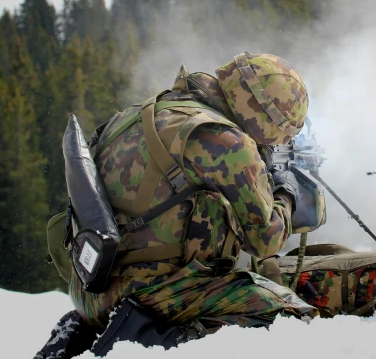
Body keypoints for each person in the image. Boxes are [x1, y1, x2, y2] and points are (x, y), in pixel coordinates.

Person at [36, 52, 319, 358]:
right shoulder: (228, 142)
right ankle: (164, 338)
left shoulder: (141, 112)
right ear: (265, 118)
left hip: (89, 292)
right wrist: (286, 193)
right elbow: (266, 241)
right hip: (147, 296)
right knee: (292, 314)